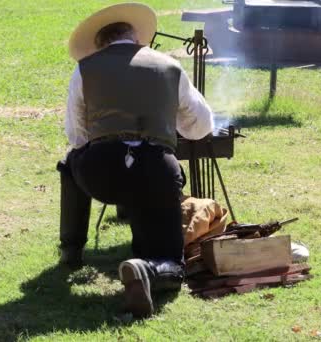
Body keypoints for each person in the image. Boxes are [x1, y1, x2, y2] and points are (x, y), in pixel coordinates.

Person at [57, 2, 214, 318]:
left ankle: (71, 251)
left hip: (100, 173)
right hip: (156, 171)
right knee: (171, 259)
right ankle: (149, 269)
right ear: (136, 36)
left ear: (100, 43)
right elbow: (201, 126)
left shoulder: (85, 69)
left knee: (70, 163)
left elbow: (77, 137)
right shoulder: (169, 66)